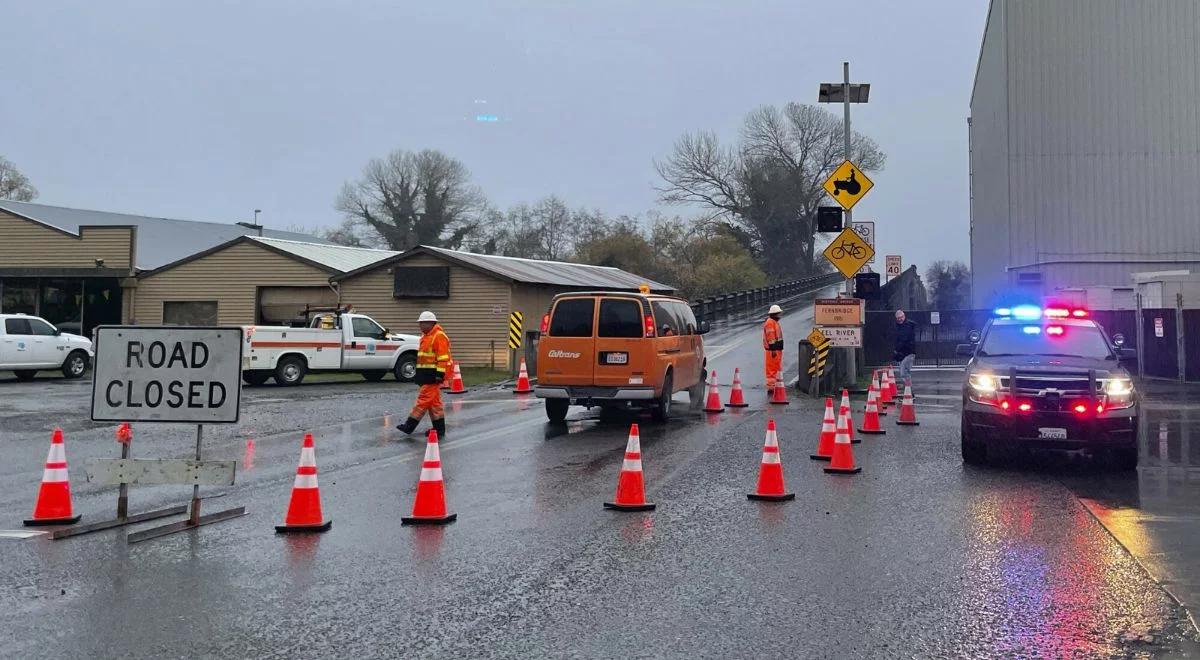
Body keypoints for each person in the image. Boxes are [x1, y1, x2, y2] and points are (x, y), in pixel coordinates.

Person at [397, 311, 452, 438]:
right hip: (426, 375)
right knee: (434, 404)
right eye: (420, 323)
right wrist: (419, 376)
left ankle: (409, 426)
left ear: (431, 323)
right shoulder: (425, 337)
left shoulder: (439, 336)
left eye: (422, 323)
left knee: (422, 401)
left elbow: (443, 357)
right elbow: (423, 359)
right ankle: (439, 430)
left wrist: (439, 374)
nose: (420, 326)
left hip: (433, 376)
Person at [763, 304, 784, 387]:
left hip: (776, 350)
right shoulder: (770, 323)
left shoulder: (774, 322)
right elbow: (771, 338)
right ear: (775, 314)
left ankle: (776, 384)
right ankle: (771, 386)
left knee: (776, 368)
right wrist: (773, 350)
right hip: (773, 350)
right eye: (779, 314)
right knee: (772, 369)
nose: (780, 315)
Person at [894, 309, 917, 385]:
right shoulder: (899, 326)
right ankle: (908, 390)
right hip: (904, 353)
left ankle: (909, 391)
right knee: (905, 371)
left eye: (901, 317)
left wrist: (896, 349)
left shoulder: (908, 326)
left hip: (909, 352)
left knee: (904, 372)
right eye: (898, 318)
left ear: (904, 316)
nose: (900, 319)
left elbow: (904, 339)